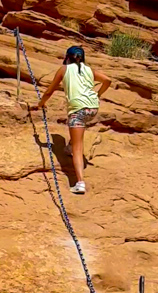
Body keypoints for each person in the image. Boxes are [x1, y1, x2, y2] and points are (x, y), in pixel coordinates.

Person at [32, 46, 111, 195]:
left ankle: (79, 182)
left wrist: (40, 104)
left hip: (78, 111)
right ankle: (69, 146)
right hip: (92, 108)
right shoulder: (89, 70)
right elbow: (107, 80)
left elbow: (49, 91)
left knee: (78, 148)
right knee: (79, 129)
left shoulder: (64, 70)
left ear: (67, 57)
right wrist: (98, 94)